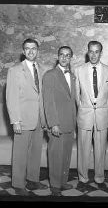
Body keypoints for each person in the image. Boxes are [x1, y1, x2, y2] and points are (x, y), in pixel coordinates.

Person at [6, 38, 49, 196]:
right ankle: (18, 184)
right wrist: (15, 120)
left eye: (34, 48)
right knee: (20, 152)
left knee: (36, 152)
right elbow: (11, 97)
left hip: (39, 118)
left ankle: (32, 180)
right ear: (23, 51)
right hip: (22, 119)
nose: (31, 51)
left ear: (38, 50)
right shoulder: (15, 70)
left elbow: (44, 96)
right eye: (27, 48)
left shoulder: (44, 69)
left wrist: (46, 118)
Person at [74, 41, 108, 191]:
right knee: (83, 148)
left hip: (102, 116)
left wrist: (100, 108)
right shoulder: (78, 70)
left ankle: (99, 177)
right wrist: (85, 108)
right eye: (91, 51)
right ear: (87, 52)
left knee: (100, 149)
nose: (93, 54)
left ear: (101, 53)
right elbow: (76, 96)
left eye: (96, 51)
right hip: (85, 115)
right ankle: (82, 177)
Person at [42, 46, 76, 196]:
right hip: (56, 124)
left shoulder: (72, 76)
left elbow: (72, 100)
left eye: (67, 55)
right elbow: (48, 102)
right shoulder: (50, 75)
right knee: (55, 155)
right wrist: (53, 123)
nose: (64, 58)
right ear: (58, 56)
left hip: (69, 123)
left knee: (66, 155)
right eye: (62, 55)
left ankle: (62, 181)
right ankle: (55, 184)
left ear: (70, 58)